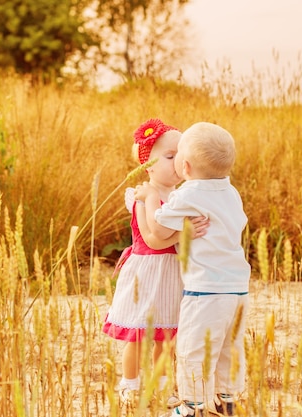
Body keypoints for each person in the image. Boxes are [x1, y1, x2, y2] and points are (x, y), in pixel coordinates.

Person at [134, 122, 251, 417]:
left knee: (193, 350)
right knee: (229, 348)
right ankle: (227, 401)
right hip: (237, 288)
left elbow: (158, 231)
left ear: (185, 167)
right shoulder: (231, 192)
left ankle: (192, 408)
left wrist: (149, 198)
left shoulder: (188, 195)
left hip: (206, 290)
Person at [102, 119, 208, 410]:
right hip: (147, 270)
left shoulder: (180, 196)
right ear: (147, 165)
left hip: (173, 273)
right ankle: (130, 385)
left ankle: (161, 386)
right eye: (170, 157)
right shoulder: (142, 196)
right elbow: (154, 239)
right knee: (138, 335)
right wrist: (184, 232)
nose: (177, 164)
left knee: (166, 336)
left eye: (181, 157)